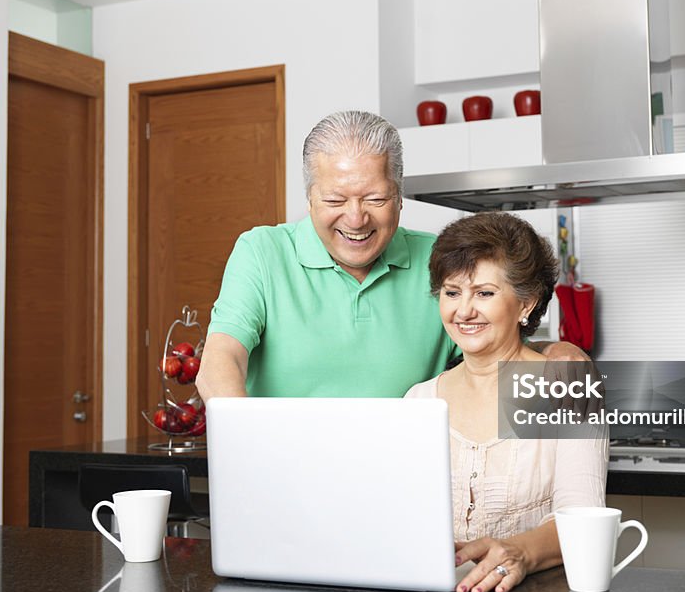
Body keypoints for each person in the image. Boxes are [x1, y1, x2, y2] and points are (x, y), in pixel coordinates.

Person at [197, 111, 586, 400]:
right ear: (310, 199)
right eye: (334, 199)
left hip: (404, 481)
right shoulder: (262, 252)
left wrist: (552, 352)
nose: (355, 218)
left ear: (399, 197)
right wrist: (250, 449)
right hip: (282, 474)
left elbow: (490, 348)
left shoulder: (439, 259)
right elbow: (219, 362)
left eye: (375, 199)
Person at [404, 212, 608, 592]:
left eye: (484, 293)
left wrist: (521, 553)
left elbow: (582, 518)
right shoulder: (418, 400)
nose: (463, 311)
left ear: (526, 303)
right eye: (451, 292)